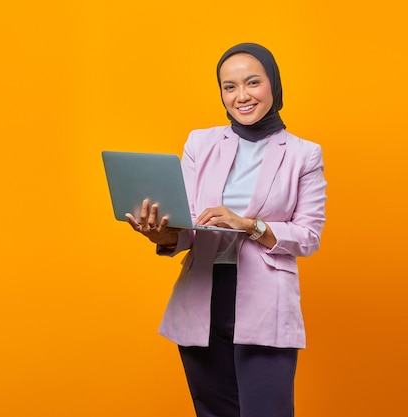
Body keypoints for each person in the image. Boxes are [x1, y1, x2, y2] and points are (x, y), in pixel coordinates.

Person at [125, 43, 327, 417]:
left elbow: (309, 235)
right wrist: (163, 234)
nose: (242, 96)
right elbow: (187, 226)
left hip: (265, 302)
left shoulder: (303, 154)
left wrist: (250, 225)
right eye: (229, 86)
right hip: (203, 298)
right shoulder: (200, 143)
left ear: (274, 84)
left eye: (253, 82)